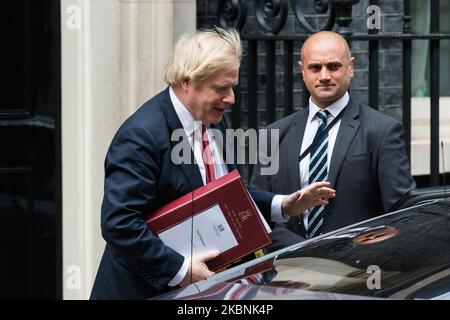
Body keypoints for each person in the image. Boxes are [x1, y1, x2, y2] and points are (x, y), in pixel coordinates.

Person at [90, 27, 335, 300]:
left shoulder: (212, 120)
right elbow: (119, 223)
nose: (231, 98)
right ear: (187, 82)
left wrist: (283, 205)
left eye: (233, 86)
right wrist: (181, 269)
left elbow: (225, 192)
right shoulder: (142, 135)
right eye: (221, 88)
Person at [251, 31, 416, 251]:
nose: (324, 75)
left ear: (351, 67)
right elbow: (257, 210)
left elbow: (402, 212)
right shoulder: (273, 134)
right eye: (315, 68)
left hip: (357, 270)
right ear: (302, 70)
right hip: (288, 269)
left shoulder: (382, 131)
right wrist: (305, 252)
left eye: (334, 66)